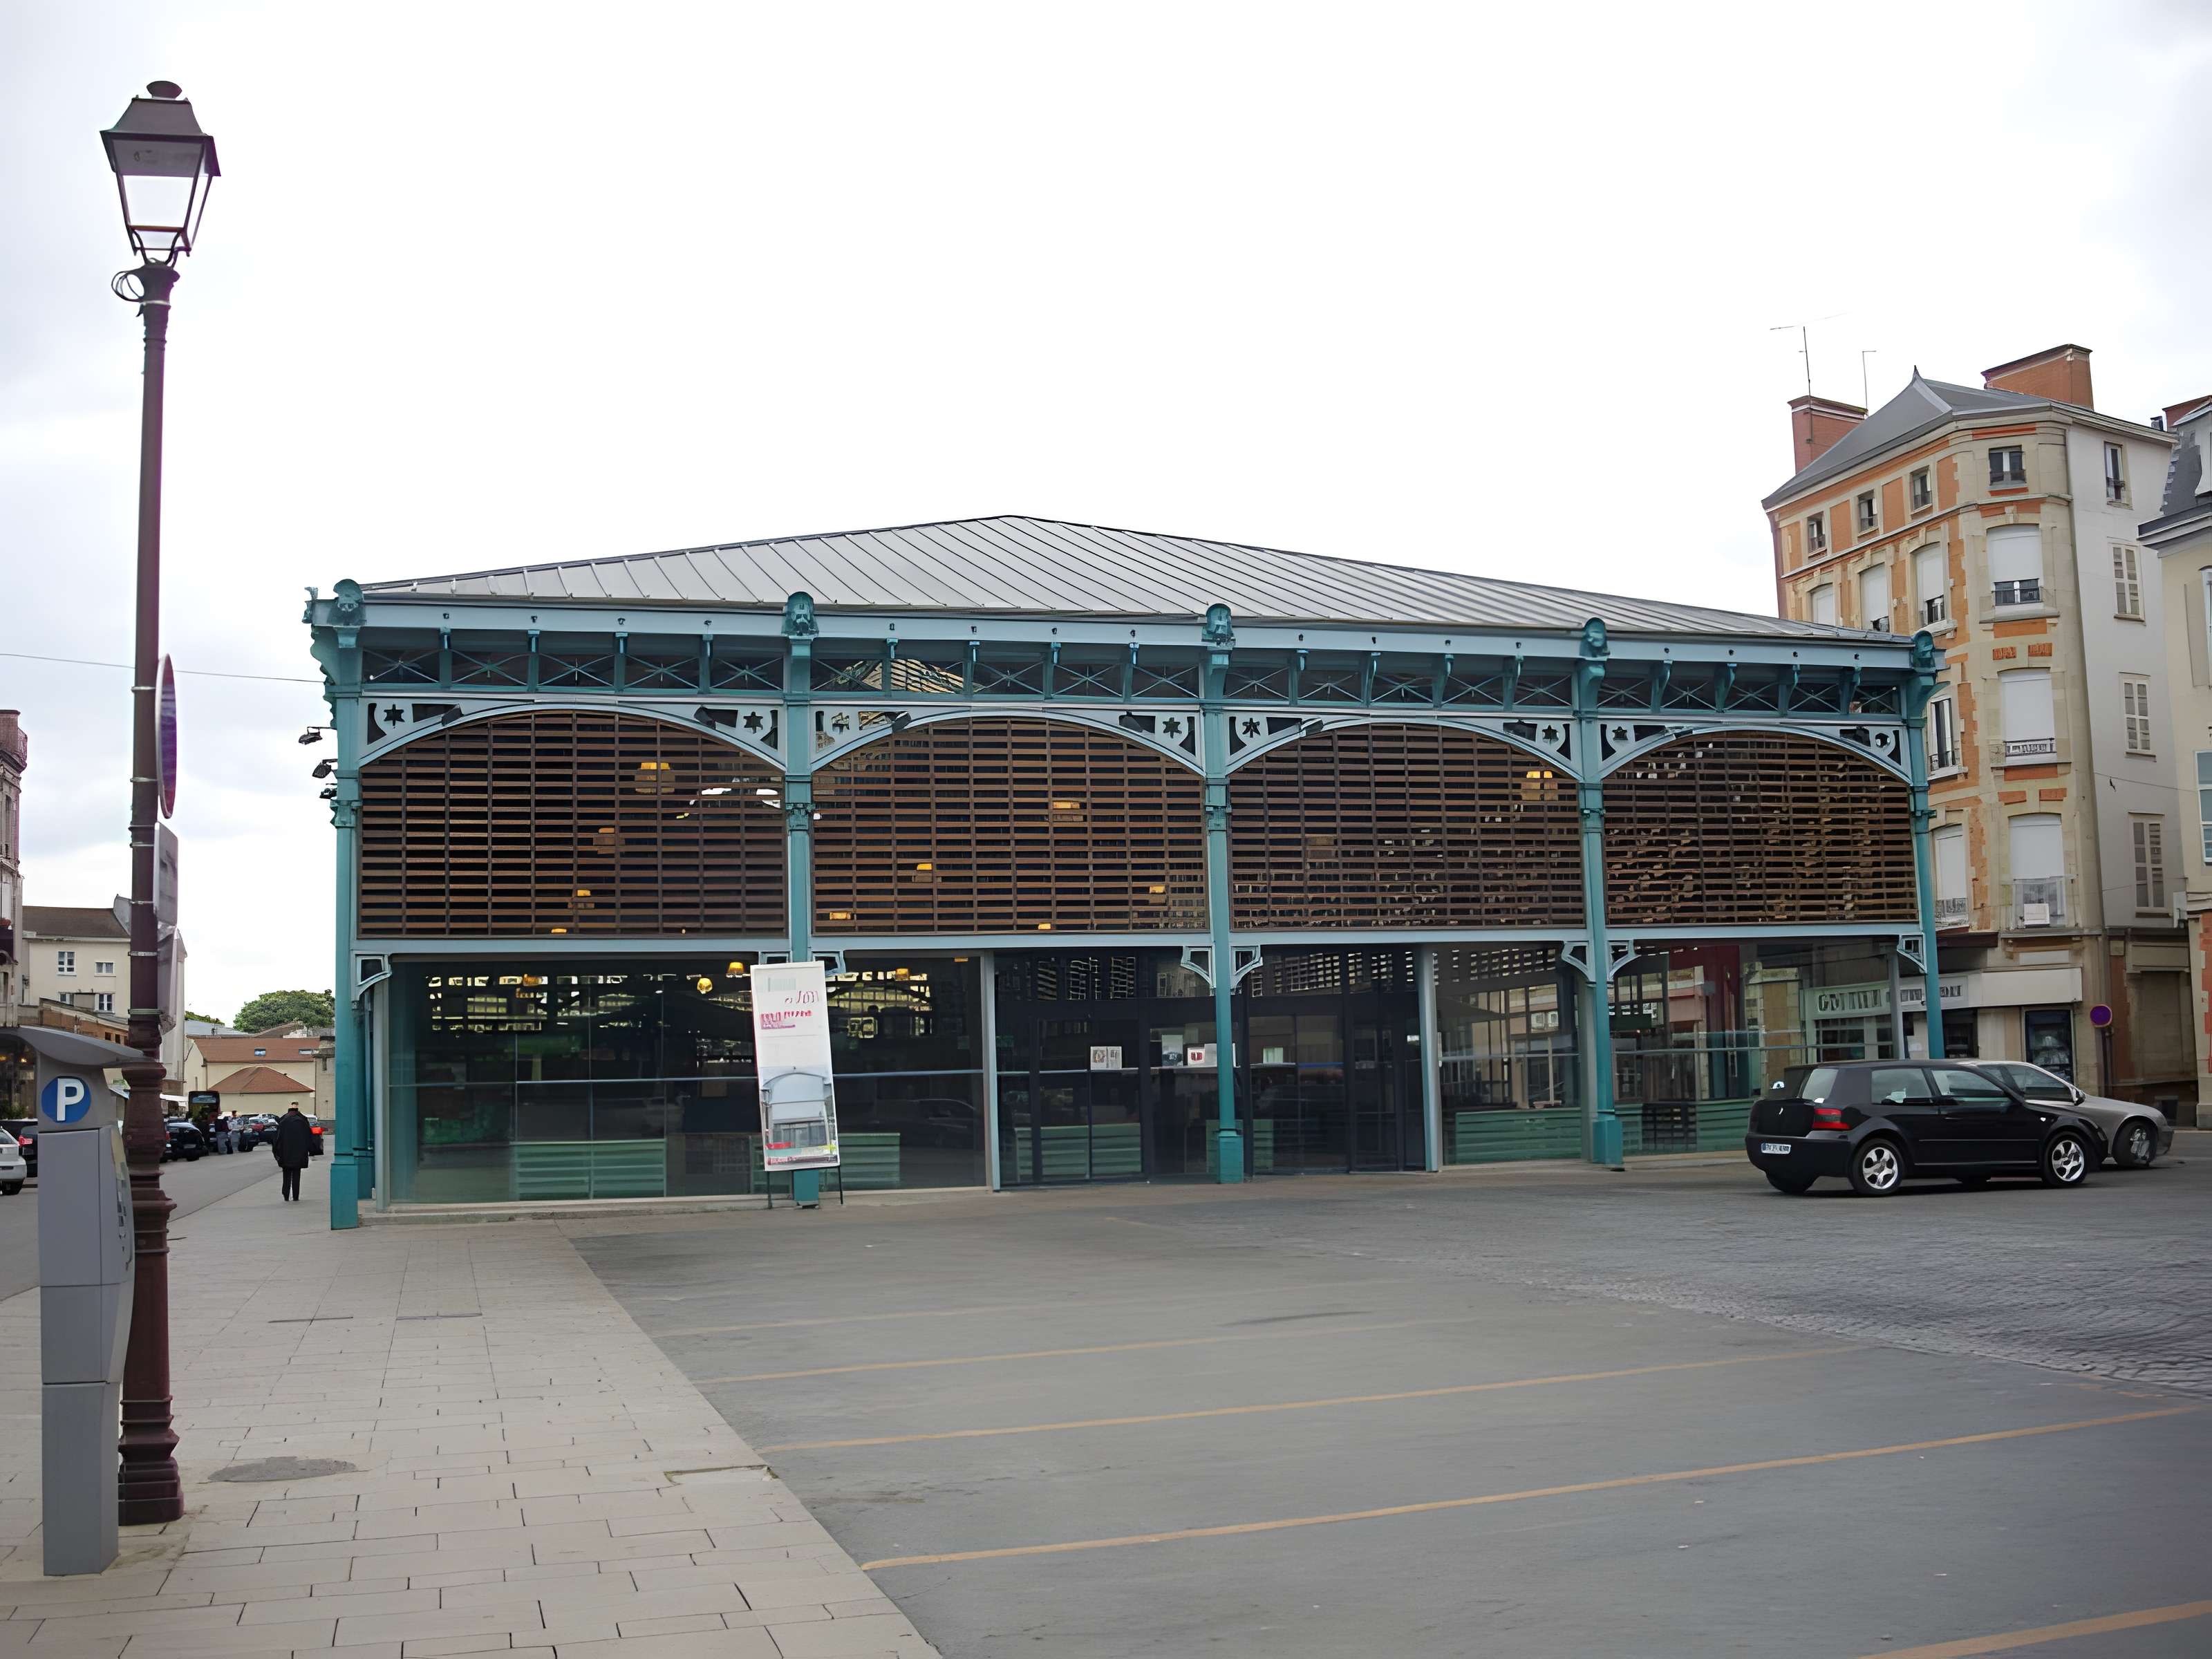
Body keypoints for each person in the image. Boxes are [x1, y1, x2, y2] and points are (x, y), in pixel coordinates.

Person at [272, 1105, 314, 1201]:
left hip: (285, 1152)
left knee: (286, 1174)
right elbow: (309, 1138)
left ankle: (286, 1195)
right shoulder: (303, 1121)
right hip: (299, 1152)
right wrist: (309, 1150)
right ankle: (296, 1196)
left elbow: (277, 1139)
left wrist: (277, 1153)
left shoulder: (283, 1121)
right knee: (296, 1175)